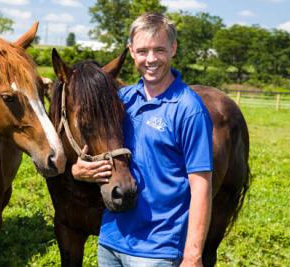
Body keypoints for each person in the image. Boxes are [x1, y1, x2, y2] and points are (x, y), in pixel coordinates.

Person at [72, 12, 213, 267]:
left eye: (159, 50)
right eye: (142, 50)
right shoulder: (121, 100)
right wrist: (78, 169)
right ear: (131, 52)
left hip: (157, 249)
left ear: (173, 48)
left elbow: (201, 185)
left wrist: (193, 255)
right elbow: (96, 144)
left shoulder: (189, 109)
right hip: (111, 240)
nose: (151, 59)